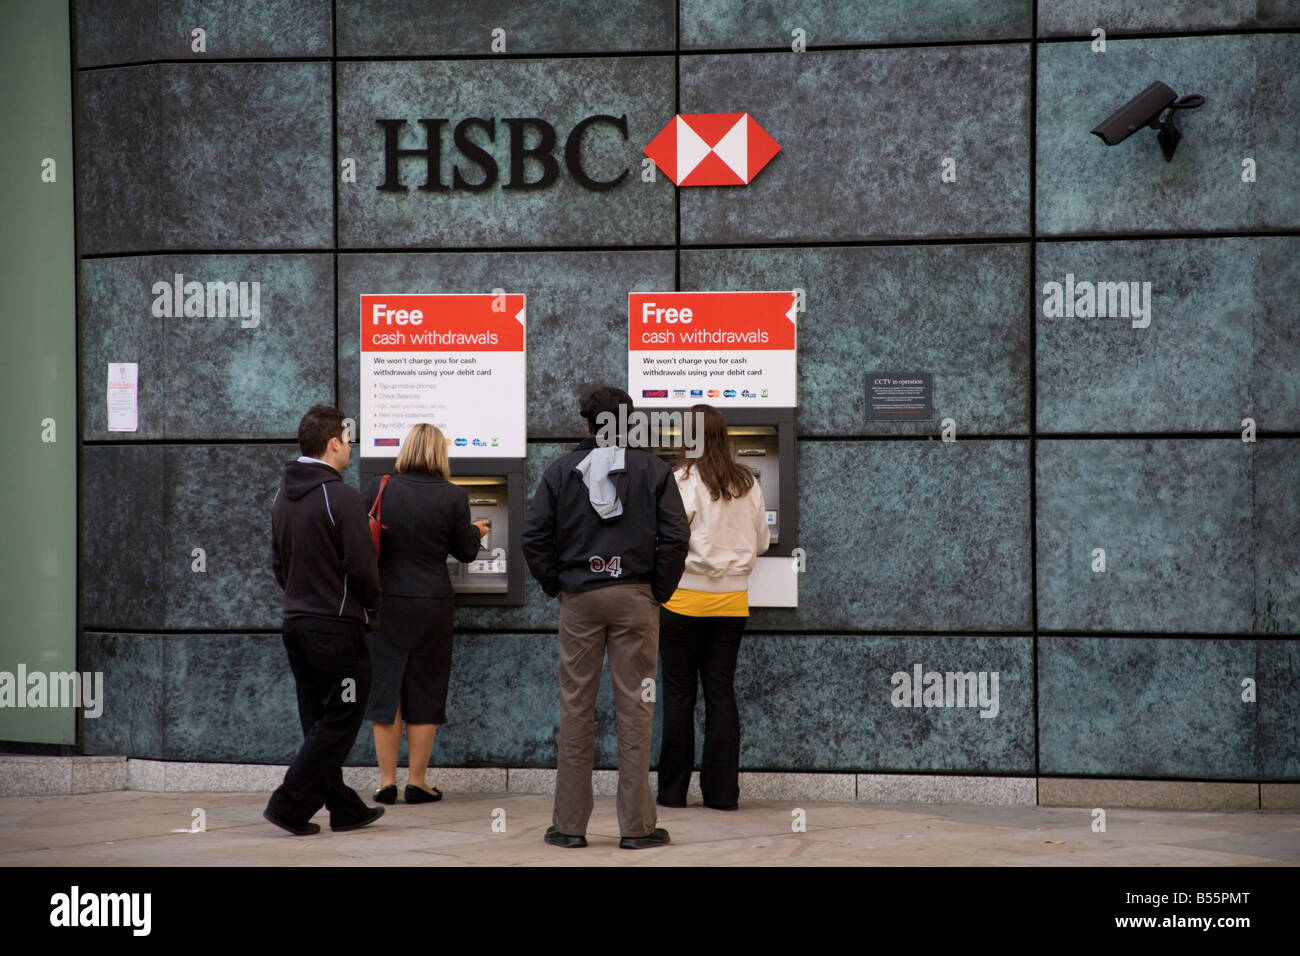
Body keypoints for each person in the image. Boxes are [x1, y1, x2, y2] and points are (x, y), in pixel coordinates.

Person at [522, 385, 690, 849]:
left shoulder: (560, 470)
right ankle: (636, 829)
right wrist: (656, 591)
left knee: (576, 707)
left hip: (580, 597)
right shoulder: (654, 469)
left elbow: (533, 537)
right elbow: (676, 537)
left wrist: (558, 584)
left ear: (587, 423)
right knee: (636, 709)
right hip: (635, 597)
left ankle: (569, 827)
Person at [265, 405, 384, 835]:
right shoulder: (341, 496)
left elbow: (278, 564)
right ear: (334, 443)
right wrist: (371, 609)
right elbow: (363, 566)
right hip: (337, 628)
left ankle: (343, 806)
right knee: (342, 717)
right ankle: (289, 804)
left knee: (319, 719)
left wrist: (302, 598)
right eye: (348, 440)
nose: (350, 447)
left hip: (297, 622)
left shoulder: (282, 495)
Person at [362, 423, 487, 805]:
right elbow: (465, 552)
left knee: (386, 690)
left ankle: (386, 782)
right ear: (439, 454)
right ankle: (418, 781)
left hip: (385, 601)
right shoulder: (453, 495)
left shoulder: (379, 487)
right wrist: (476, 530)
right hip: (431, 602)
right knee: (425, 688)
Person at [657, 404, 769, 811]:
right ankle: (722, 795)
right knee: (721, 694)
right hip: (732, 602)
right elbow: (760, 542)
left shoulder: (680, 480)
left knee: (679, 696)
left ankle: (672, 794)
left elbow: (668, 539)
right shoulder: (748, 483)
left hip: (683, 600)